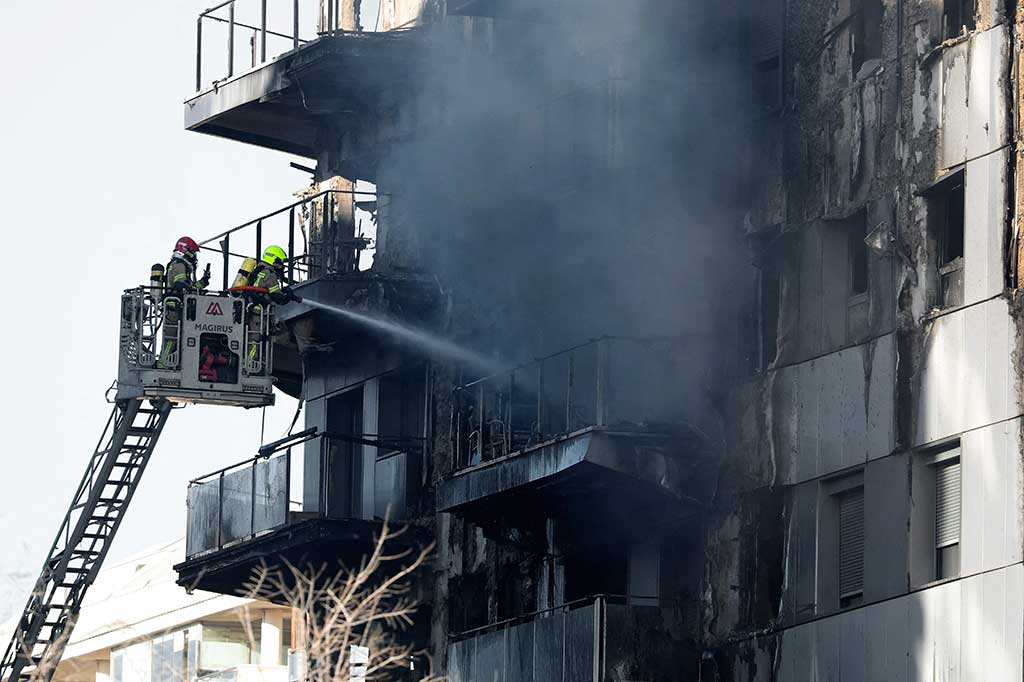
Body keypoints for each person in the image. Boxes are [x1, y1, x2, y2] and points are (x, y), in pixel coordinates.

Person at [244, 245, 300, 368]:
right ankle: (248, 365)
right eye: (280, 262)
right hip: (259, 313)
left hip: (253, 310)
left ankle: (250, 363)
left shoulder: (259, 270)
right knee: (255, 340)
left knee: (252, 339)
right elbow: (276, 296)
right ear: (274, 260)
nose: (282, 266)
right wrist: (288, 296)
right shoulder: (270, 273)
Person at [159, 236, 210, 367]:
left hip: (178, 309)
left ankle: (170, 364)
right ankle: (163, 365)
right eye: (193, 252)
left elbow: (189, 287)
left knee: (177, 339)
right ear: (185, 250)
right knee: (171, 339)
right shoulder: (179, 265)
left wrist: (203, 282)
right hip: (174, 309)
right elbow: (181, 286)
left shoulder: (181, 265)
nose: (194, 256)